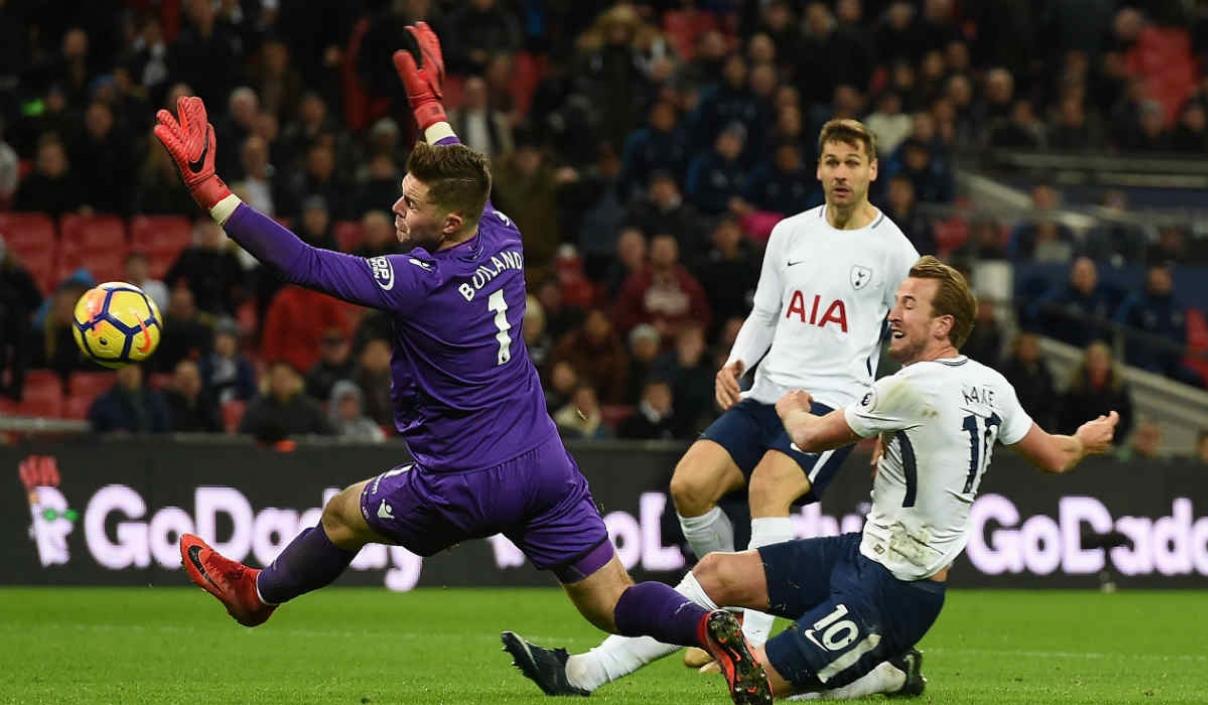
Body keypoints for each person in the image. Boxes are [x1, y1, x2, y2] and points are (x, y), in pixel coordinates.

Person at [155, 23, 767, 705]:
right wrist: (430, 107)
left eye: (410, 204)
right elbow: (457, 166)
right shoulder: (501, 230)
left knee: (341, 515)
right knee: (611, 600)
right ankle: (710, 629)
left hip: (464, 481)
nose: (398, 207)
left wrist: (210, 189)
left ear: (447, 225)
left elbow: (301, 262)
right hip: (542, 462)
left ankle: (255, 595)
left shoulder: (417, 278)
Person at [506, 257, 1119, 700]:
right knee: (717, 573)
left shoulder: (910, 386)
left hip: (896, 593)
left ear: (944, 326)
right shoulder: (993, 384)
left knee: (753, 685)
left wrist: (789, 402)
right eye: (896, 299)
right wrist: (1086, 441)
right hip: (861, 555)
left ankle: (876, 671)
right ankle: (583, 673)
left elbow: (806, 435)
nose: (894, 313)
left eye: (910, 304)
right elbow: (1055, 457)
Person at [518, 118, 920, 690]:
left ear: (873, 170)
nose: (840, 173)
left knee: (768, 490)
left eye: (852, 162)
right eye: (831, 161)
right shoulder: (790, 234)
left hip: (831, 407)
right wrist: (735, 362)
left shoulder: (895, 251)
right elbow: (766, 314)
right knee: (689, 485)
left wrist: (886, 419)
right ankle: (728, 613)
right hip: (768, 394)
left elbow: (911, 341)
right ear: (818, 167)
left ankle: (750, 640)